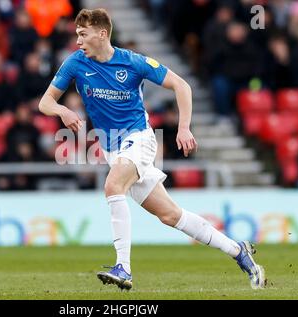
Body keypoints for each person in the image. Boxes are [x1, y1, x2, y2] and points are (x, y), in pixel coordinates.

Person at [39, 8, 266, 290]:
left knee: (112, 187)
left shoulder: (133, 62)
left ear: (102, 33)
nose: (78, 41)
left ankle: (123, 267)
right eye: (77, 35)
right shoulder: (75, 63)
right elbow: (45, 102)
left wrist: (184, 127)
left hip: (140, 139)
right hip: (114, 150)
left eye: (83, 35)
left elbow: (181, 86)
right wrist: (61, 110)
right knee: (171, 215)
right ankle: (238, 251)